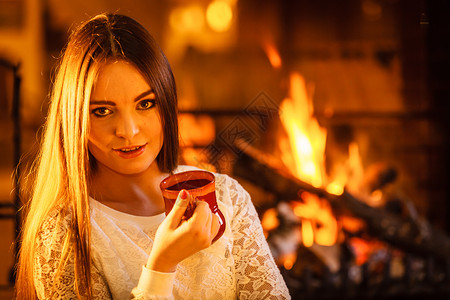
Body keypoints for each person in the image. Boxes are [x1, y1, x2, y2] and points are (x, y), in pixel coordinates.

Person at [15, 13, 291, 299]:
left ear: (167, 104)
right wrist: (161, 266)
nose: (128, 131)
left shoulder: (228, 197)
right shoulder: (65, 233)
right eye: (102, 111)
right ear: (75, 120)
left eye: (145, 104)